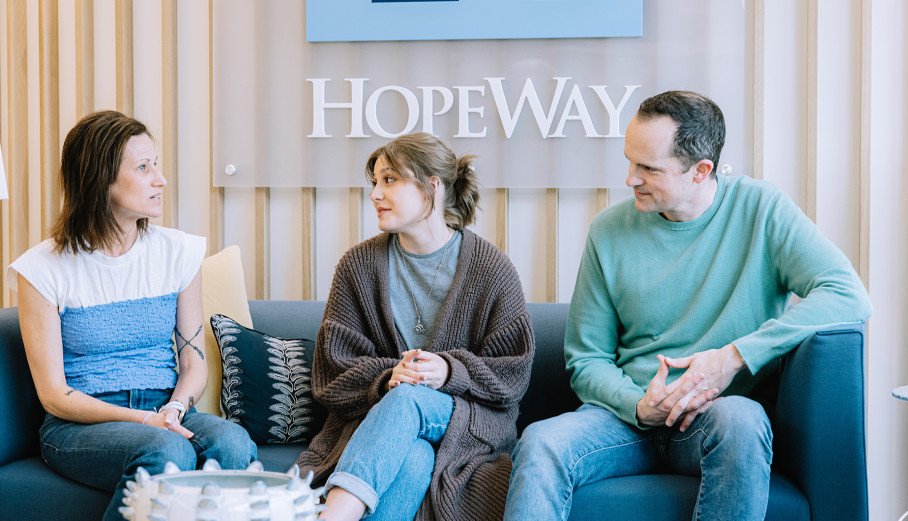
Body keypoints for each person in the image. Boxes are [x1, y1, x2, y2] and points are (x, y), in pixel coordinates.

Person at [504, 91, 872, 521]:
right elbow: (587, 360)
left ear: (701, 171)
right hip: (625, 420)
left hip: (714, 417)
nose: (630, 179)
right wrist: (640, 406)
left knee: (743, 421)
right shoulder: (608, 231)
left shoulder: (761, 210)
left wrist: (733, 357)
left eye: (648, 168)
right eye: (629, 161)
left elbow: (848, 294)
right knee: (541, 441)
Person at [8, 110, 257, 521]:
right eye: (144, 168)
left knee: (232, 444)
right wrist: (145, 421)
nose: (160, 179)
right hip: (80, 427)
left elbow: (193, 362)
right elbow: (54, 394)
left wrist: (173, 410)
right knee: (166, 450)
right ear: (98, 179)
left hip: (166, 409)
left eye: (155, 164)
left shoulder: (179, 253)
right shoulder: (41, 269)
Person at [296, 132, 535, 521]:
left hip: (466, 421)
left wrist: (449, 371)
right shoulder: (359, 266)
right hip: (382, 427)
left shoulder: (491, 269)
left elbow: (512, 375)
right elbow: (332, 370)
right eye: (374, 182)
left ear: (432, 186)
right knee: (412, 457)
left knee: (409, 400)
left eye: (389, 180)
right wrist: (389, 375)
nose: (375, 193)